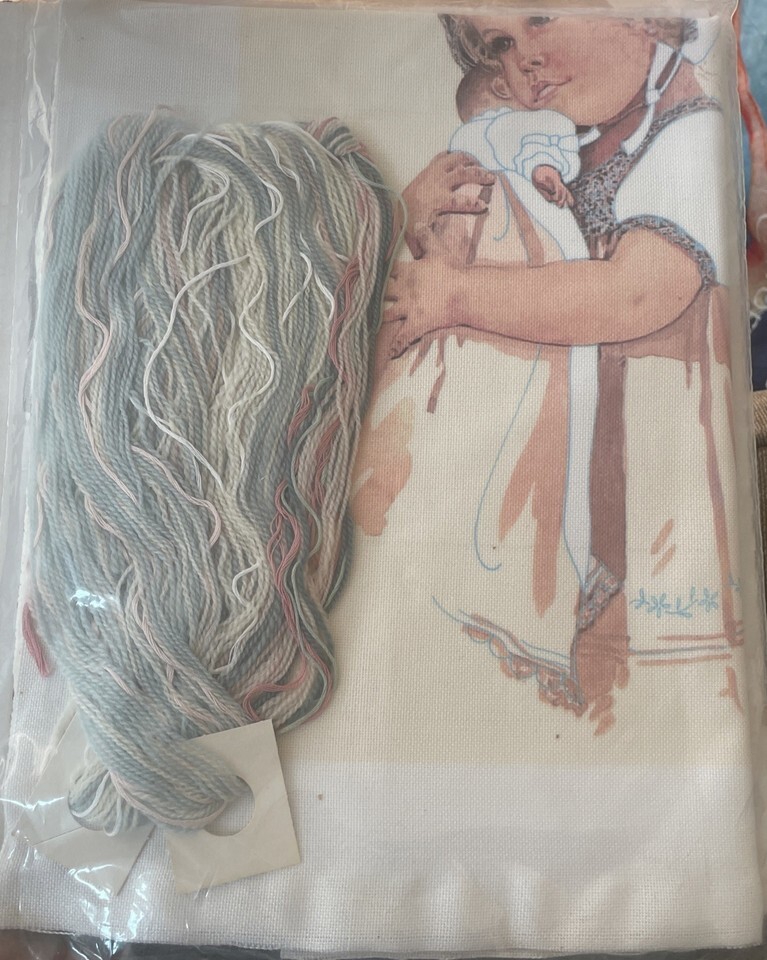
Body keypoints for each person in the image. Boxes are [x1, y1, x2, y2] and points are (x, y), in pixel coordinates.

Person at [355, 14, 740, 732]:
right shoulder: (561, 142)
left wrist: (456, 294)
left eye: (538, 17)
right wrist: (419, 218)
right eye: (500, 45)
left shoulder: (689, 127)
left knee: (641, 684)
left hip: (652, 450)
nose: (523, 59)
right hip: (568, 441)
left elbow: (636, 294)